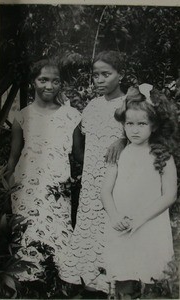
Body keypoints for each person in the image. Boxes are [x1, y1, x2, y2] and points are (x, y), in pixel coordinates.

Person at [5, 58, 83, 286]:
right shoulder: (22, 116)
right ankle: (28, 279)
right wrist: (9, 184)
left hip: (58, 185)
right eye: (43, 80)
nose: (49, 86)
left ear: (61, 84)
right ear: (33, 82)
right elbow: (14, 155)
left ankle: (58, 279)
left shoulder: (72, 116)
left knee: (58, 228)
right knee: (28, 229)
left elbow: (79, 156)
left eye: (55, 81)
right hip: (26, 184)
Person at [59, 50, 127, 295]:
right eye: (95, 75)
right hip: (91, 182)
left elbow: (146, 136)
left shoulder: (129, 104)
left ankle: (113, 281)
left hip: (118, 181)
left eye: (106, 74)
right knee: (90, 224)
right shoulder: (91, 106)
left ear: (121, 75)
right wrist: (85, 163)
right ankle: (89, 280)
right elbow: (80, 144)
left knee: (111, 225)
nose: (99, 80)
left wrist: (123, 141)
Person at [101, 84, 178, 298]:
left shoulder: (162, 155)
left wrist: (141, 219)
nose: (135, 129)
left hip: (150, 222)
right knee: (124, 273)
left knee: (151, 275)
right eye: (130, 124)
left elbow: (169, 194)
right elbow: (105, 191)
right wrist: (115, 216)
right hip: (123, 223)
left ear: (153, 126)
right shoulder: (118, 154)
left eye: (141, 124)